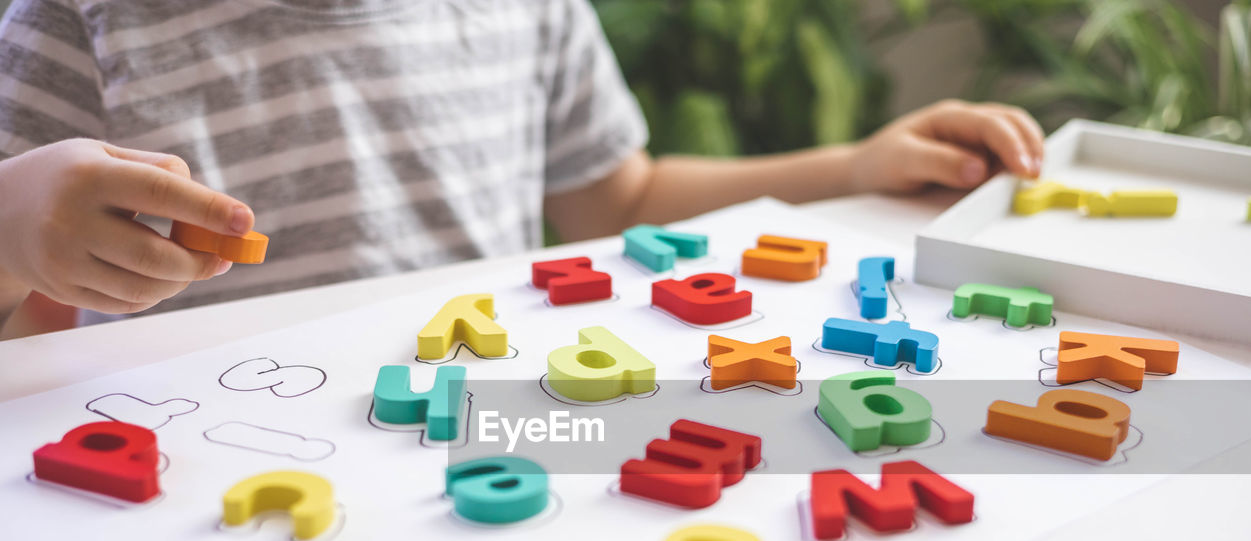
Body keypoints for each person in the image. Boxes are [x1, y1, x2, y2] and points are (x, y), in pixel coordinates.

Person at [0, 0, 1043, 338]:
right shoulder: (79, 18)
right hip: (204, 477)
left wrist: (848, 164)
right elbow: (25, 327)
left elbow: (619, 197)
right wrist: (12, 229)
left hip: (470, 441)